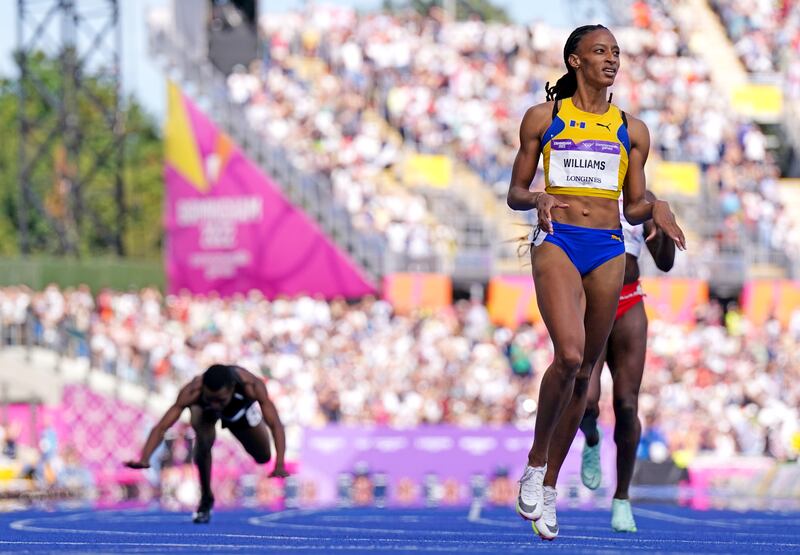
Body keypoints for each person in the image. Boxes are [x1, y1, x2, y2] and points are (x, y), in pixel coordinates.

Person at [506, 24, 685, 540]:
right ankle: (535, 462)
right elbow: (515, 192)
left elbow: (633, 205)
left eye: (616, 53)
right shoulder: (544, 118)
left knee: (585, 376)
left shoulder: (633, 129)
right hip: (558, 240)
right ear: (575, 60)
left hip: (607, 248)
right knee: (568, 355)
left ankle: (550, 487)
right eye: (600, 51)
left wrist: (659, 207)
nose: (611, 60)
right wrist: (537, 197)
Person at [578, 191, 675, 533]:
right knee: (586, 400)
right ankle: (592, 438)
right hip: (592, 303)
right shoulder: (588, 183)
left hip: (629, 301)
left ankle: (621, 497)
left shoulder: (643, 199)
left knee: (627, 404)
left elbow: (665, 263)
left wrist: (662, 231)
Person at [124, 364, 288, 523]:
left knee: (263, 456)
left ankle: (244, 416)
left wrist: (279, 463)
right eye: (211, 398)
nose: (216, 405)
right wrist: (145, 458)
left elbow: (275, 424)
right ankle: (206, 497)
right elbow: (162, 426)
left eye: (220, 400)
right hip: (204, 412)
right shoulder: (193, 390)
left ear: (232, 389)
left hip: (238, 412)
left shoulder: (250, 385)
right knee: (203, 440)